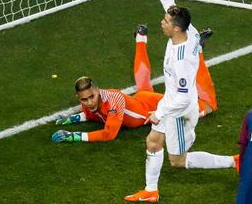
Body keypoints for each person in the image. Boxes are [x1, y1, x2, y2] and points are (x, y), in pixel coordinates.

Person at [123, 0, 235, 204]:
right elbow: (168, 1)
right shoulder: (188, 31)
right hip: (171, 102)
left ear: (175, 28)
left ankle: (233, 161)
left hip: (180, 109)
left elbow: (184, 98)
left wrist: (160, 113)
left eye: (165, 21)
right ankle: (151, 190)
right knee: (153, 142)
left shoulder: (182, 59)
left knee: (178, 161)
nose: (161, 23)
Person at [51, 24, 217, 143]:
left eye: (91, 97)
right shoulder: (90, 99)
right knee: (144, 86)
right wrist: (69, 119)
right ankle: (140, 38)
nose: (89, 102)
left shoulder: (114, 100)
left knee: (208, 106)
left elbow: (109, 134)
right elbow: (92, 114)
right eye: (84, 100)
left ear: (97, 90)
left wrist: (73, 136)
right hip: (140, 100)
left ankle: (197, 49)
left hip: (153, 106)